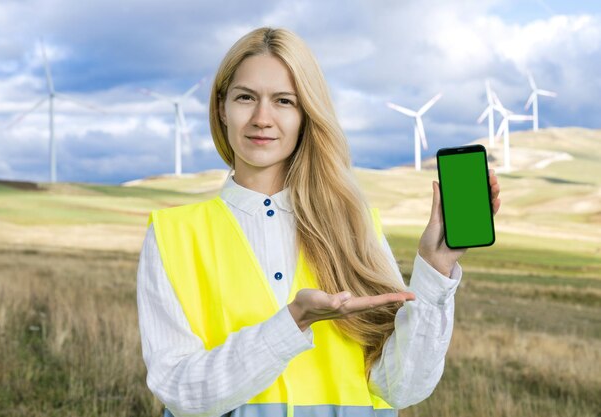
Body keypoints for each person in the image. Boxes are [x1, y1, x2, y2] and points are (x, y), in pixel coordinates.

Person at [137, 27, 501, 417]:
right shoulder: (172, 236)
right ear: (221, 107)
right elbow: (180, 391)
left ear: (306, 114)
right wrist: (293, 323)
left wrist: (436, 269)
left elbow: (400, 388)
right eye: (246, 97)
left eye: (284, 101)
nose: (262, 118)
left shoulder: (354, 226)